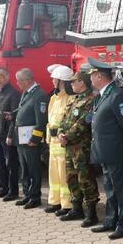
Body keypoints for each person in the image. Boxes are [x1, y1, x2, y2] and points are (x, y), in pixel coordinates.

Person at [87, 57, 123, 240]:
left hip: (116, 151)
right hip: (105, 152)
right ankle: (110, 220)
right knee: (109, 188)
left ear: (100, 76)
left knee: (120, 190)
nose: (90, 79)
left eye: (92, 76)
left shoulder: (116, 96)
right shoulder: (102, 96)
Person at [58, 68, 100, 227]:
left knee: (85, 178)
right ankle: (77, 208)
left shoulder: (91, 99)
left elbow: (84, 122)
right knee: (71, 177)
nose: (71, 84)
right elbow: (64, 119)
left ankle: (91, 213)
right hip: (69, 146)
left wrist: (67, 136)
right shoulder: (73, 99)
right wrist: (61, 133)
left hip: (82, 147)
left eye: (74, 81)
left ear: (82, 82)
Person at [10, 68, 48, 209]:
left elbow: (41, 120)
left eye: (19, 81)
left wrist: (35, 138)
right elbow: (23, 109)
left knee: (33, 169)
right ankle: (27, 194)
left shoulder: (39, 95)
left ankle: (35, 197)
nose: (17, 83)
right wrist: (13, 115)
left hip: (31, 140)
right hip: (22, 138)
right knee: (24, 168)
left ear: (27, 80)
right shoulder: (27, 93)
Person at [45, 65, 76, 215]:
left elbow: (68, 122)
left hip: (63, 144)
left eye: (54, 78)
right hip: (53, 144)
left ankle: (67, 204)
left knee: (64, 176)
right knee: (54, 175)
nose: (51, 80)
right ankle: (54, 201)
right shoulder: (53, 98)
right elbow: (49, 120)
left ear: (61, 80)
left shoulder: (70, 99)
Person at [0, 69, 21, 201]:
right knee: (0, 163)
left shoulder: (13, 93)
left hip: (7, 136)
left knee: (10, 164)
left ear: (7, 77)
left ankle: (13, 191)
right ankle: (3, 188)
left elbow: (14, 117)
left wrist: (10, 135)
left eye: (1, 76)